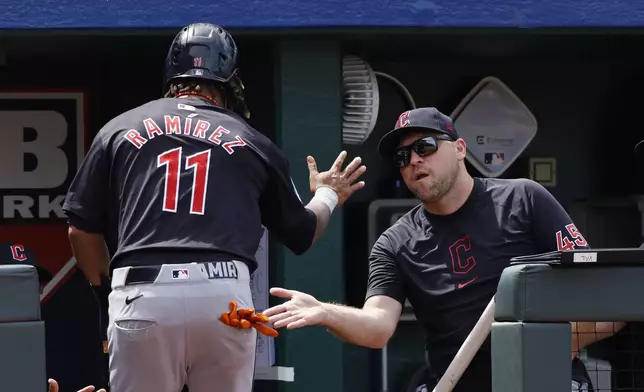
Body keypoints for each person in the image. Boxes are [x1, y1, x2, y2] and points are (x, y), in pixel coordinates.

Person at [61, 22, 366, 392]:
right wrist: (328, 194)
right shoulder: (251, 139)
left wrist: (104, 295)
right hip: (223, 295)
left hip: (143, 293)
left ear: (172, 78)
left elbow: (80, 228)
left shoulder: (119, 128)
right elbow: (302, 233)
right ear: (229, 83)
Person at [264, 107, 625, 392]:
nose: (414, 161)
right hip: (457, 382)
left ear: (460, 149)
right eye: (402, 158)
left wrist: (555, 342)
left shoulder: (524, 198)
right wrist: (323, 311)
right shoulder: (395, 242)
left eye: (425, 148)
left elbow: (601, 300)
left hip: (547, 381)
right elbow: (377, 328)